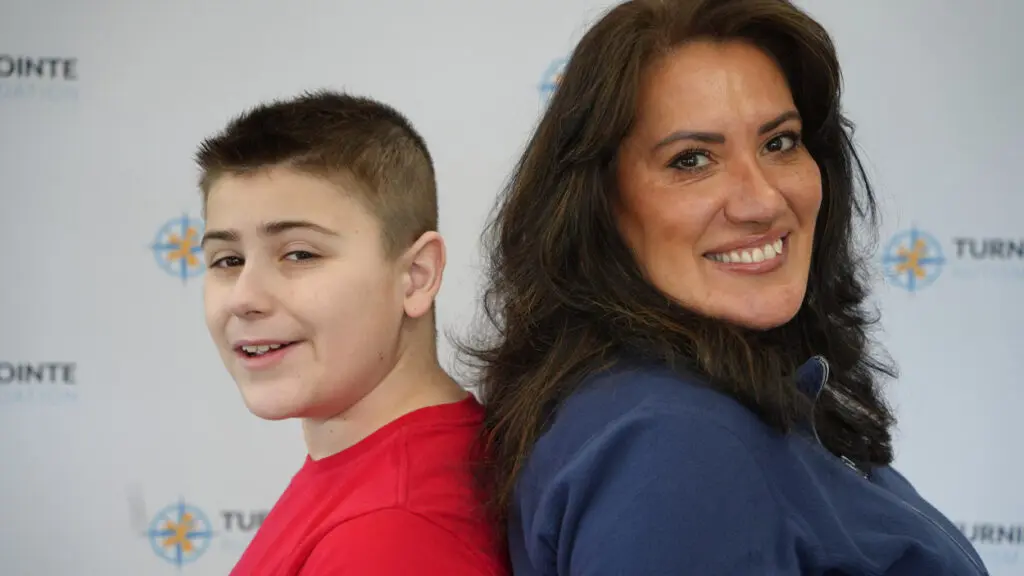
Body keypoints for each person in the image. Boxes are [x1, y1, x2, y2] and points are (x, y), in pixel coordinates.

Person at [461, 0, 989, 574]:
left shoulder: (706, 402)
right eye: (692, 160)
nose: (762, 200)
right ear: (601, 206)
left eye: (779, 143)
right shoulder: (675, 446)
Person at [196, 90, 506, 575]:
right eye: (227, 260)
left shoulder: (393, 535)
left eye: (299, 254)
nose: (243, 297)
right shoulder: (378, 475)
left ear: (417, 275)